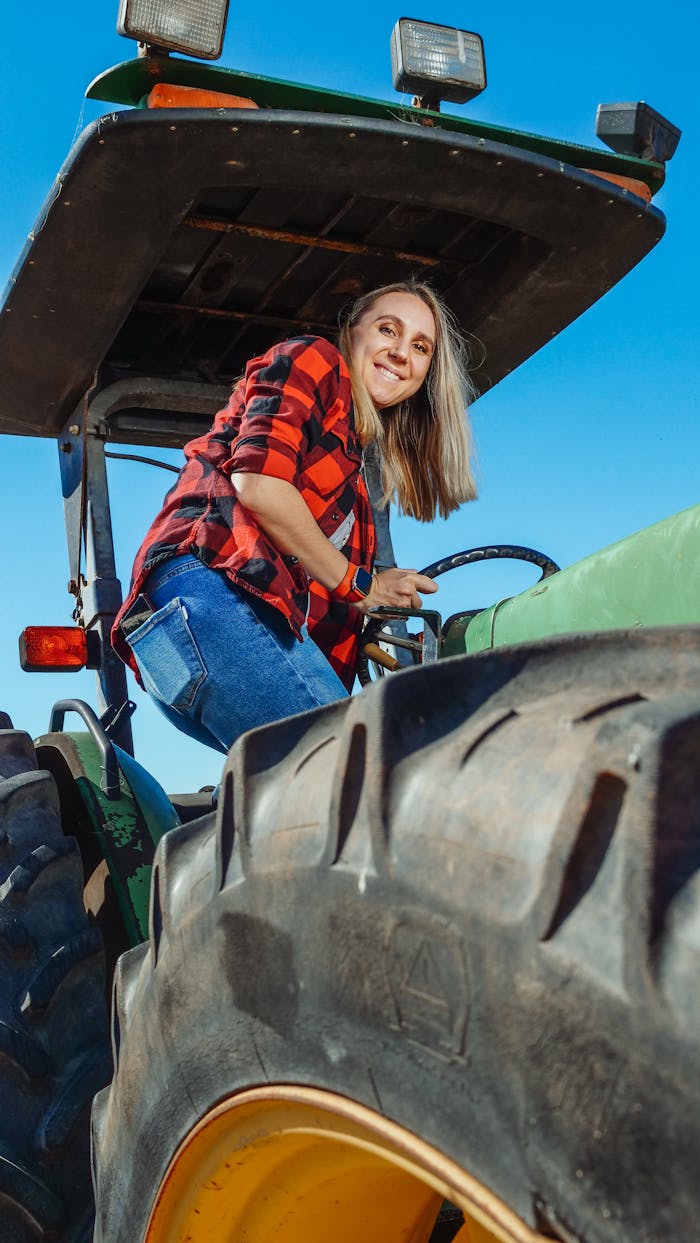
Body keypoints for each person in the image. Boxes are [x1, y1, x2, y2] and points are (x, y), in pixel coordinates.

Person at [111, 280, 477, 755]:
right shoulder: (315, 358)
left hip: (176, 639)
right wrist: (360, 586)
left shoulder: (358, 485)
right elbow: (260, 485)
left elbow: (317, 584)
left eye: (421, 347)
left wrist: (358, 619)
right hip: (211, 602)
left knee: (295, 805)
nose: (401, 352)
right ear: (352, 331)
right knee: (369, 770)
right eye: (388, 329)